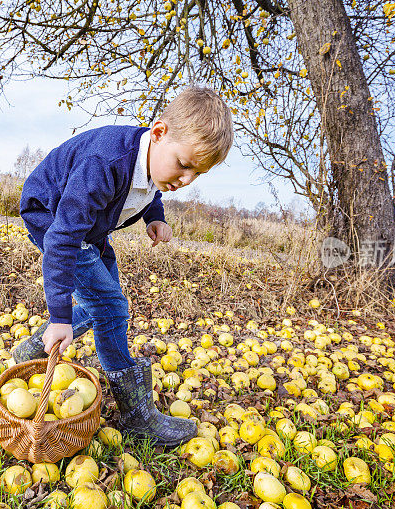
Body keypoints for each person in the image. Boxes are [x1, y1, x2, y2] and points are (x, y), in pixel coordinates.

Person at [14, 86, 233, 447]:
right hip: (54, 219)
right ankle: (136, 414)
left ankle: (32, 349)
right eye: (184, 165)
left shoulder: (152, 160)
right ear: (159, 132)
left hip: (91, 229)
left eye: (198, 173)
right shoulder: (106, 162)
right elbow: (61, 238)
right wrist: (58, 316)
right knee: (111, 306)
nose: (187, 180)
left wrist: (155, 216)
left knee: (104, 302)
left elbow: (150, 190)